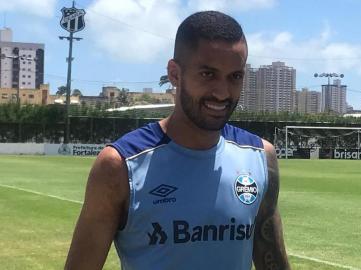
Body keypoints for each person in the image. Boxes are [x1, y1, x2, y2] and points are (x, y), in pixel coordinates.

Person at [65, 11, 290, 270]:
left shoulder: (261, 157)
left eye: (235, 77)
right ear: (174, 73)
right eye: (208, 74)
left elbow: (271, 258)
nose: (222, 92)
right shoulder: (119, 166)